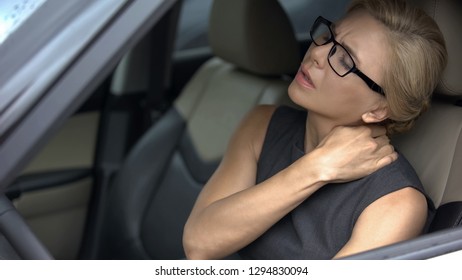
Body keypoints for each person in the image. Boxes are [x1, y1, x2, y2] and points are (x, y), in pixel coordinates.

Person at [182, 0, 447, 260]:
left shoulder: (397, 203)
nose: (317, 54)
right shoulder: (261, 125)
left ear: (379, 109)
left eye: (345, 61)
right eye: (328, 35)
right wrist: (316, 168)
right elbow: (199, 244)